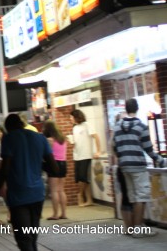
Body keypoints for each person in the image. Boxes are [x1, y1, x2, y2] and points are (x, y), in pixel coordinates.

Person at [0, 113, 57, 251]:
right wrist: (37, 163)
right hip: (37, 194)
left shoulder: (9, 139)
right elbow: (54, 169)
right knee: (32, 236)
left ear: (8, 128)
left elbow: (5, 170)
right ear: (21, 123)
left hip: (18, 196)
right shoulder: (40, 137)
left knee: (24, 238)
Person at [112, 97, 166, 238]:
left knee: (132, 197)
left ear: (126, 108)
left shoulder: (117, 126)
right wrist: (161, 161)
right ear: (136, 109)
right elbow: (149, 150)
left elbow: (114, 146)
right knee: (141, 197)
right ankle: (138, 229)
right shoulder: (141, 126)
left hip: (124, 167)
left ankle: (136, 228)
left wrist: (123, 157)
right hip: (138, 166)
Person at [70, 108, 101, 206]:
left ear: (76, 117)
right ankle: (89, 199)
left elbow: (96, 137)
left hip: (86, 155)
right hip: (77, 156)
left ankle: (80, 195)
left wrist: (98, 151)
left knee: (83, 178)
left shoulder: (87, 125)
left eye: (71, 117)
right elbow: (76, 142)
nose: (70, 119)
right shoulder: (74, 128)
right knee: (80, 178)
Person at [42, 119, 68, 220]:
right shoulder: (62, 138)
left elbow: (46, 154)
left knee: (54, 191)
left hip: (54, 164)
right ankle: (64, 213)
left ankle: (55, 214)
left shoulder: (49, 140)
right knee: (61, 190)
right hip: (63, 163)